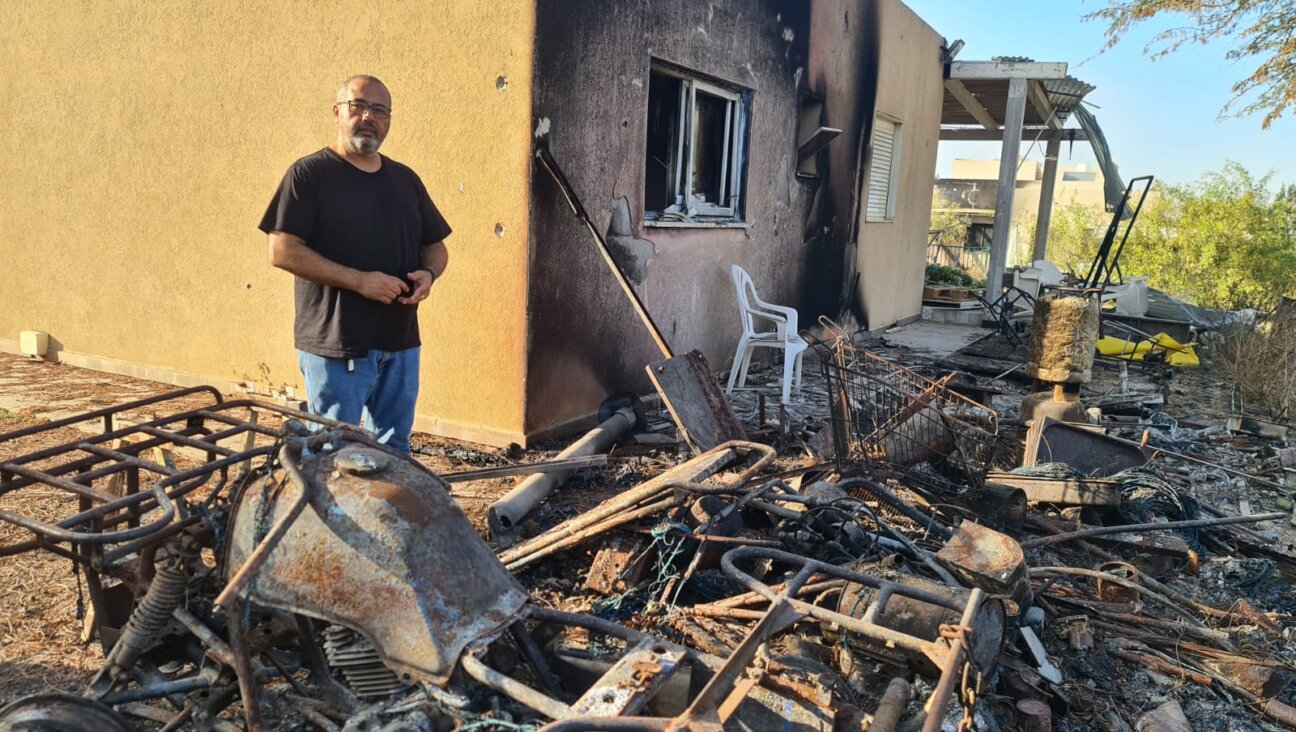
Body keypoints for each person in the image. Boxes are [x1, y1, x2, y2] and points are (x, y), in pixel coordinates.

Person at [259, 75, 451, 454]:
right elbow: (281, 250)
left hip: (401, 344)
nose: (368, 117)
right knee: (333, 454)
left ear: (389, 120)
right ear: (337, 112)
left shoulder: (405, 180)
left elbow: (436, 246)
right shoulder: (309, 175)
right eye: (358, 106)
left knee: (394, 451)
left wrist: (428, 274)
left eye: (379, 110)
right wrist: (359, 281)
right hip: (336, 346)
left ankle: (382, 515)